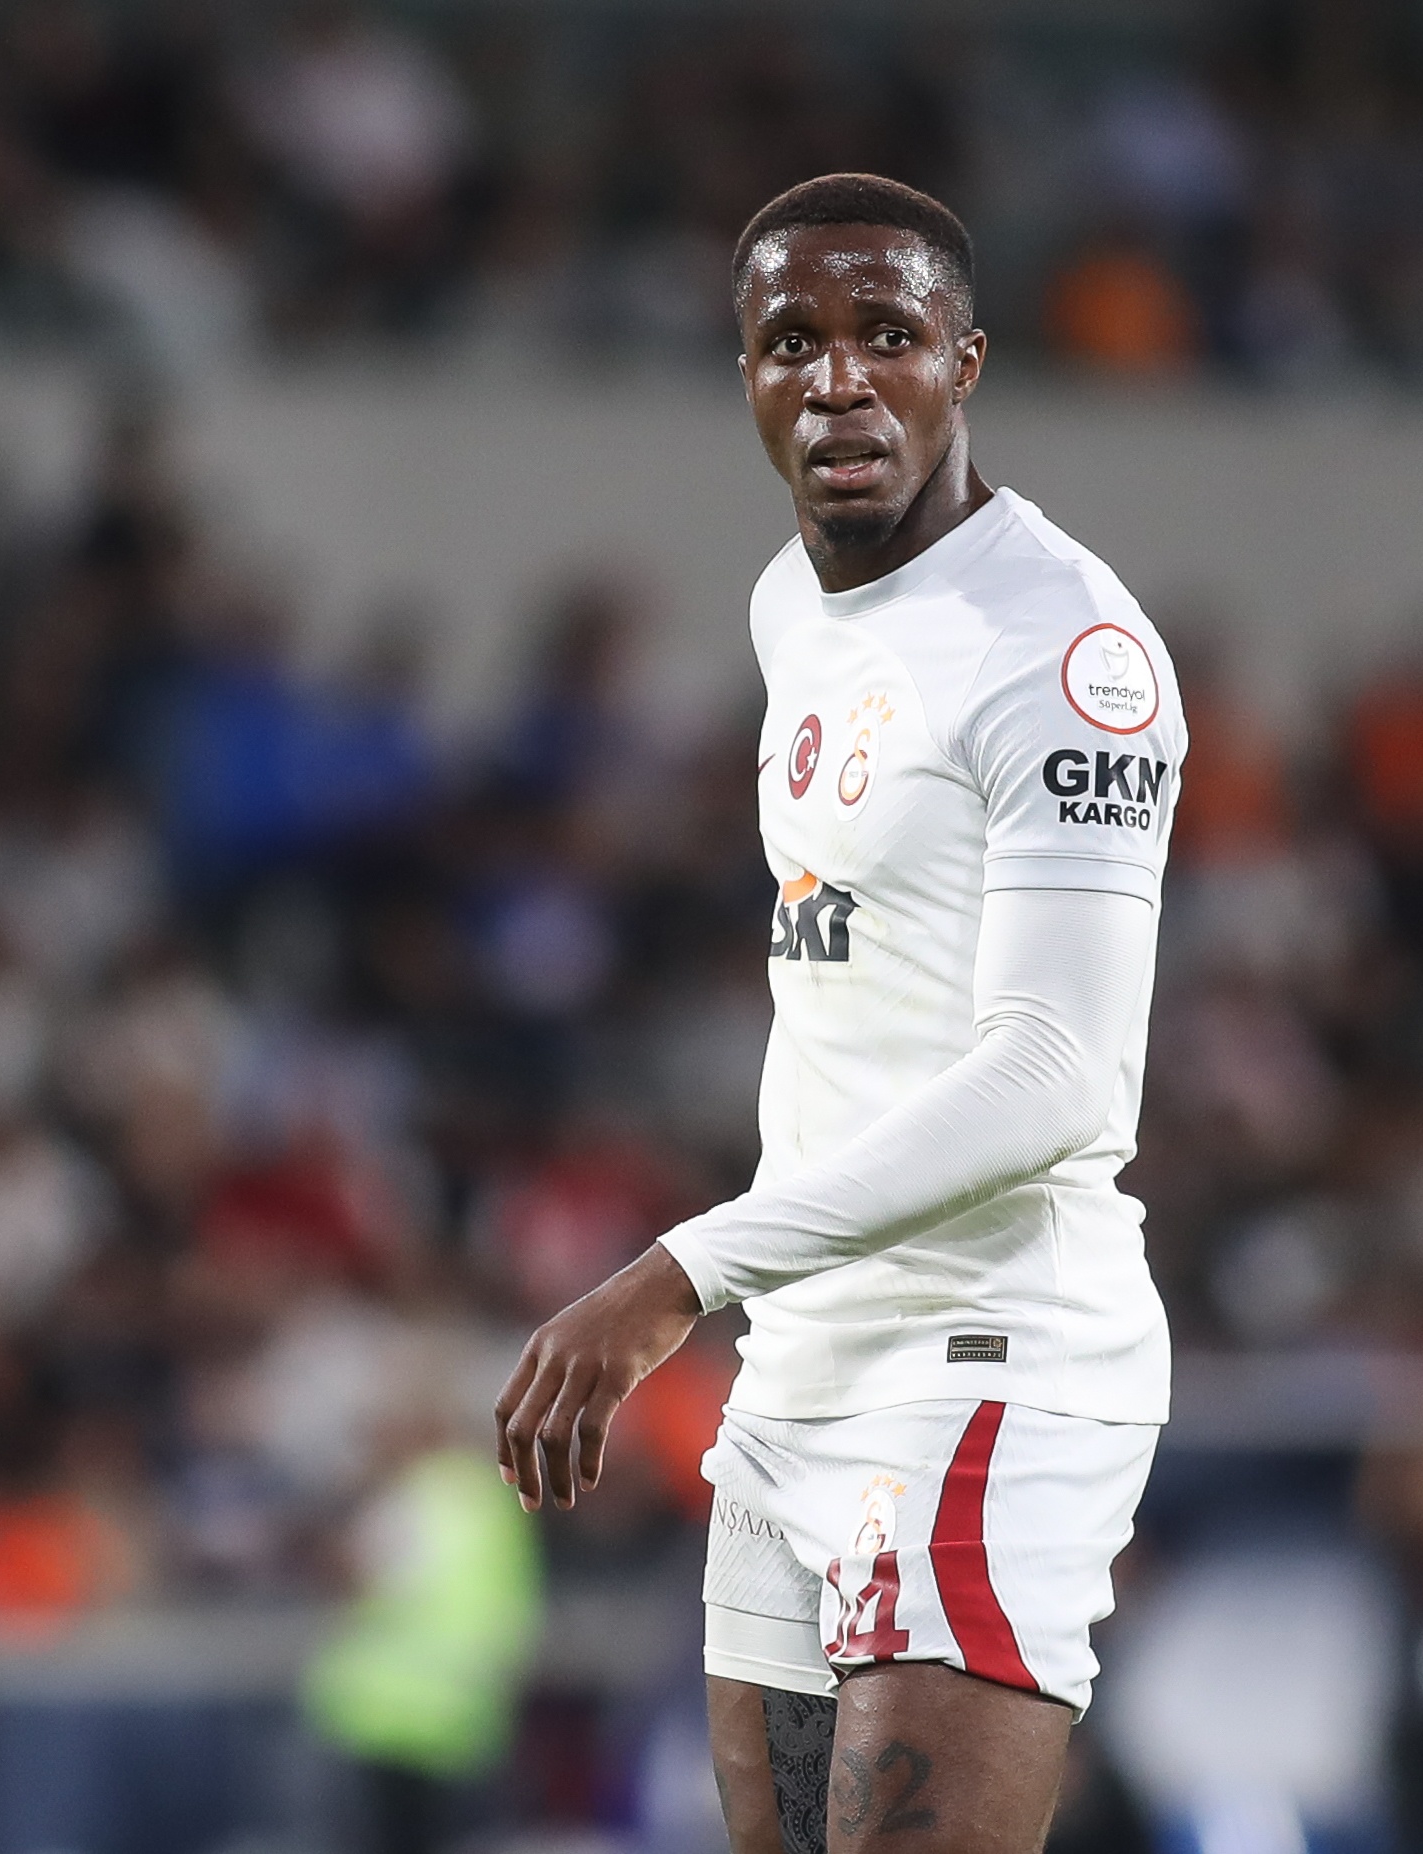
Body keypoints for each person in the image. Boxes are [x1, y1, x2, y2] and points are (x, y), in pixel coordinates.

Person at [493, 173, 1187, 1854]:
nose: (839, 379)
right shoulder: (791, 607)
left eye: (889, 334)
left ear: (966, 363)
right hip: (799, 1372)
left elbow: (1055, 1072)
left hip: (987, 1360)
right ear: (745, 374)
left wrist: (679, 1273)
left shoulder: (1067, 653)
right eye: (791, 341)